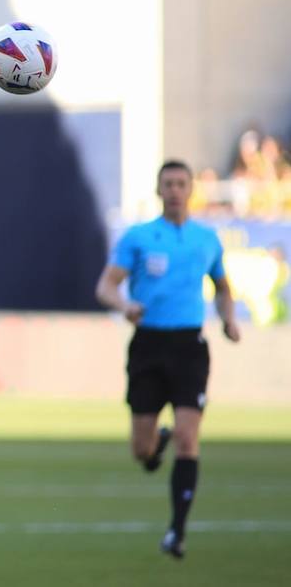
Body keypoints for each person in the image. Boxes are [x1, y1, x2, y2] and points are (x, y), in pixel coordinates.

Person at [95, 159, 241, 560]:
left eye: (181, 183)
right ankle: (154, 443)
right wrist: (123, 306)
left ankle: (177, 531)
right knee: (141, 451)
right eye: (168, 184)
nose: (175, 190)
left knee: (188, 436)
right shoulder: (140, 237)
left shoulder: (206, 240)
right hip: (148, 345)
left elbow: (222, 286)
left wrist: (228, 318)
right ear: (159, 191)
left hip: (189, 347)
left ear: (191, 189)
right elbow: (106, 286)